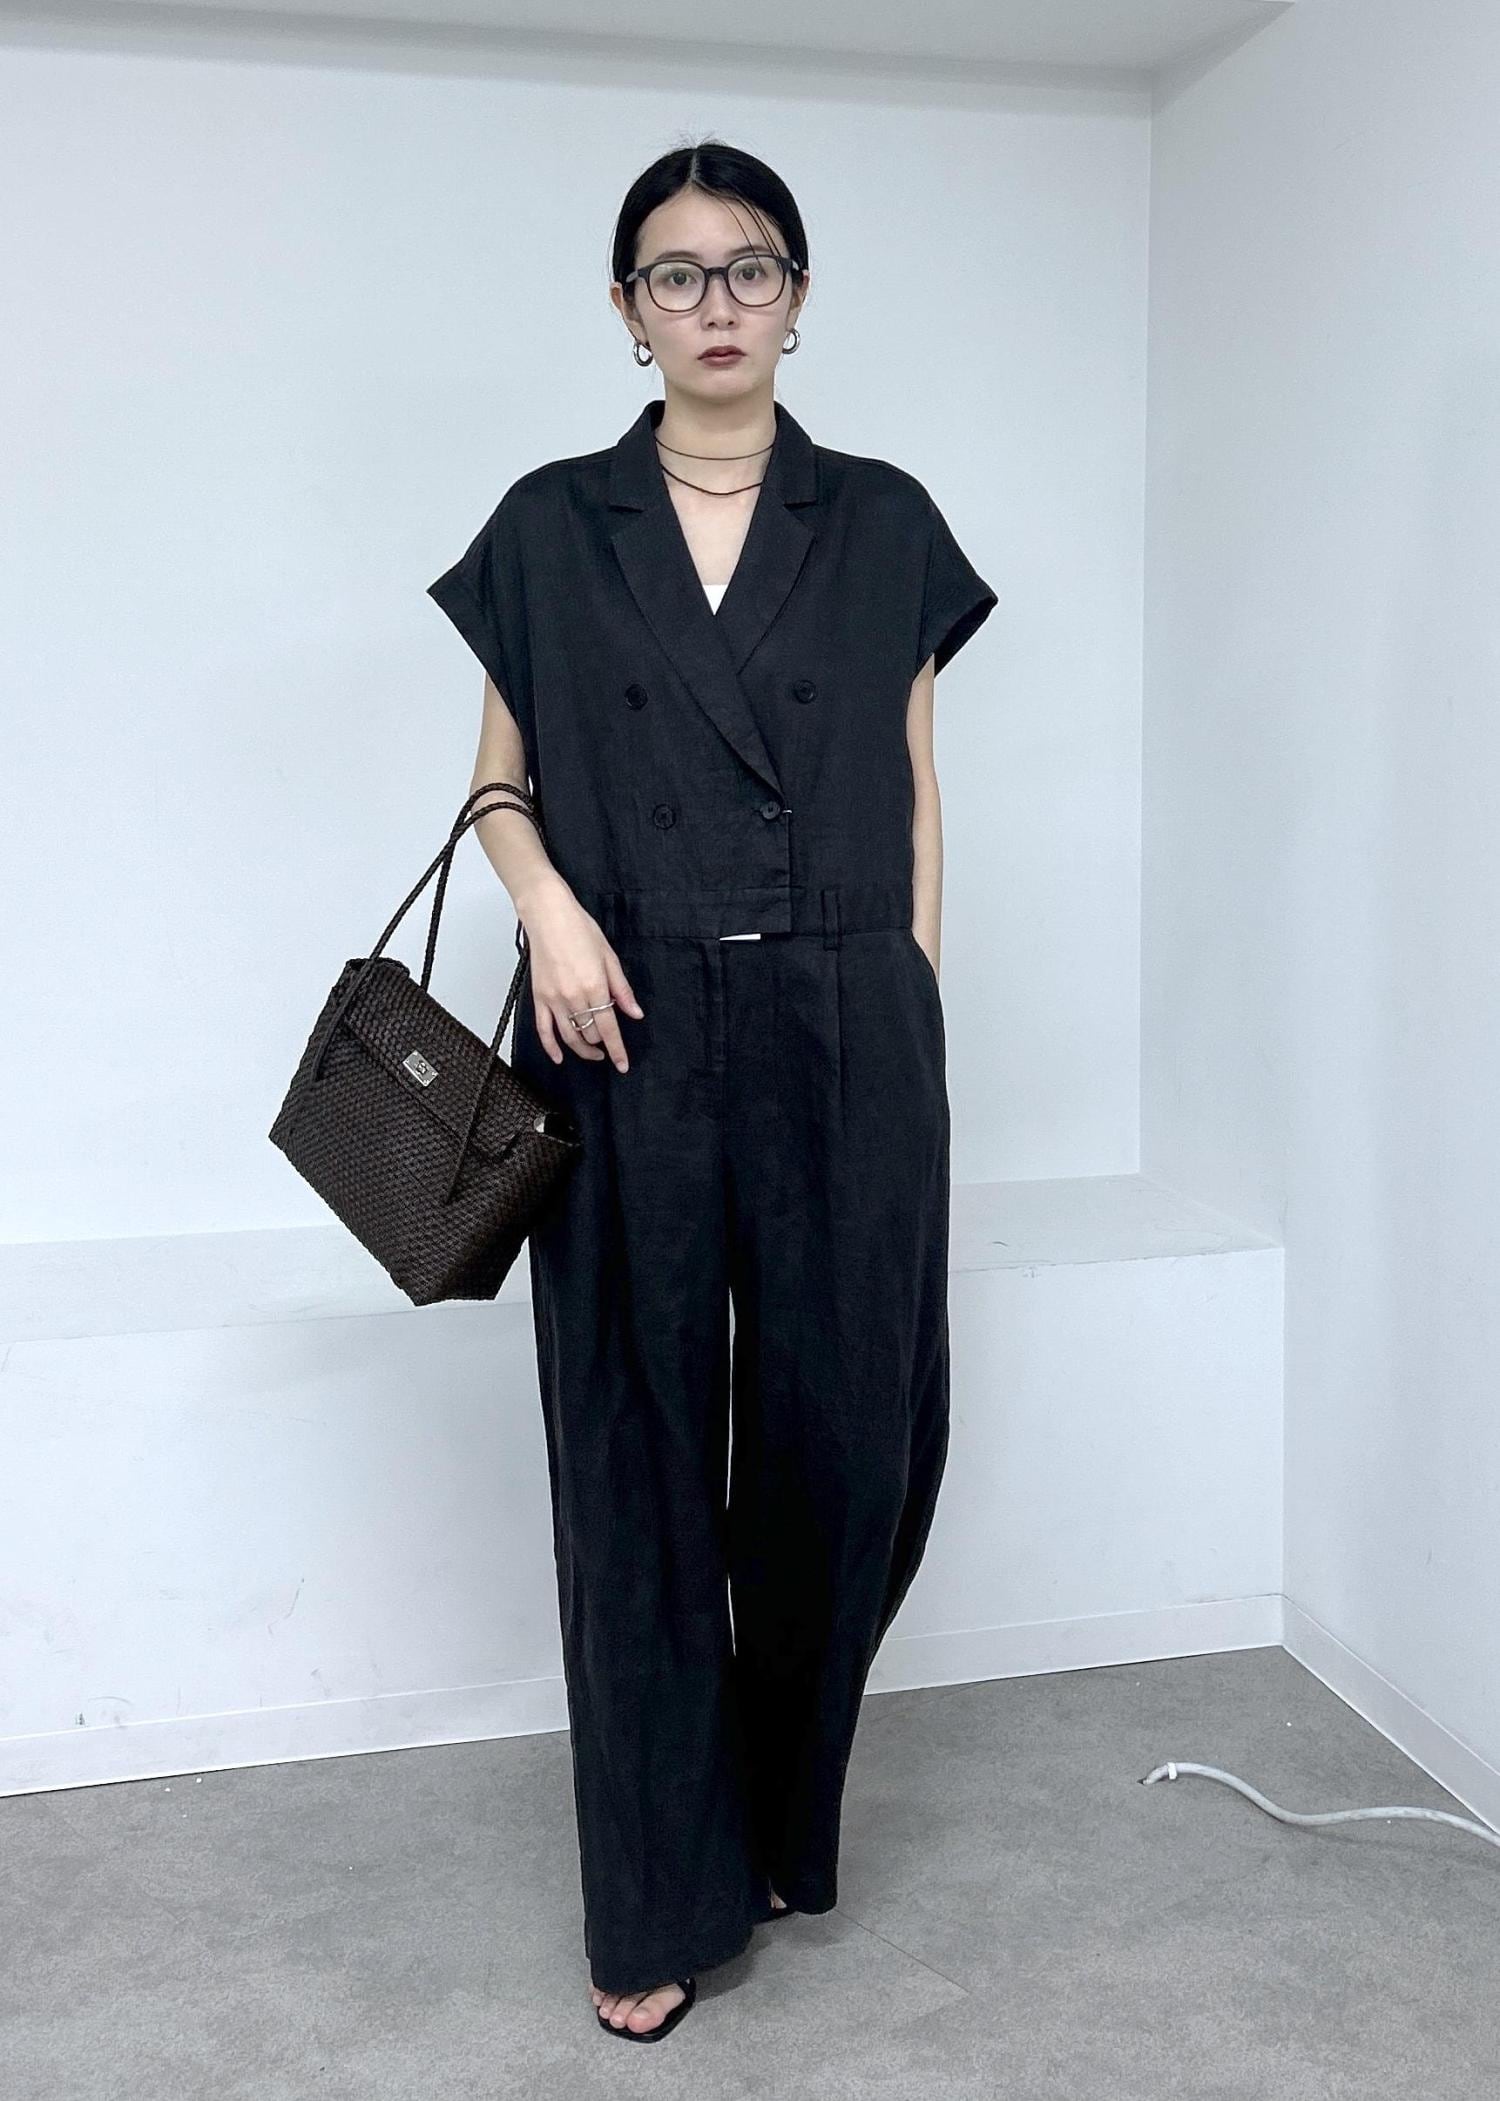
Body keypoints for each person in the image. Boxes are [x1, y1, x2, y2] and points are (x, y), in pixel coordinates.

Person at [426, 138, 997, 2043]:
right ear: (627, 309)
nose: (717, 303)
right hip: (624, 1021)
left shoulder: (885, 518)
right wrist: (548, 912)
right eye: (677, 274)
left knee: (851, 1447)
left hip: (848, 1019)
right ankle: (656, 1889)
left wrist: (912, 995)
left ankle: (766, 1811)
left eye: (750, 268)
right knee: (637, 1453)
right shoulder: (552, 523)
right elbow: (495, 781)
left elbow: (916, 785)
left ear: (799, 295)